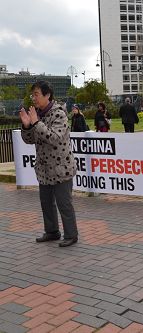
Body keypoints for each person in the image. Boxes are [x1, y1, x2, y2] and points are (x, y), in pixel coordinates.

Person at [19, 81, 79, 247]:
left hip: (61, 168)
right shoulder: (38, 114)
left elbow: (55, 138)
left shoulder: (59, 113)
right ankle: (52, 231)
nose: (34, 98)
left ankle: (71, 235)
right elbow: (29, 139)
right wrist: (26, 126)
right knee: (46, 203)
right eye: (33, 95)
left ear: (47, 95)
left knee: (64, 204)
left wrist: (36, 123)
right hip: (44, 168)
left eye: (37, 94)